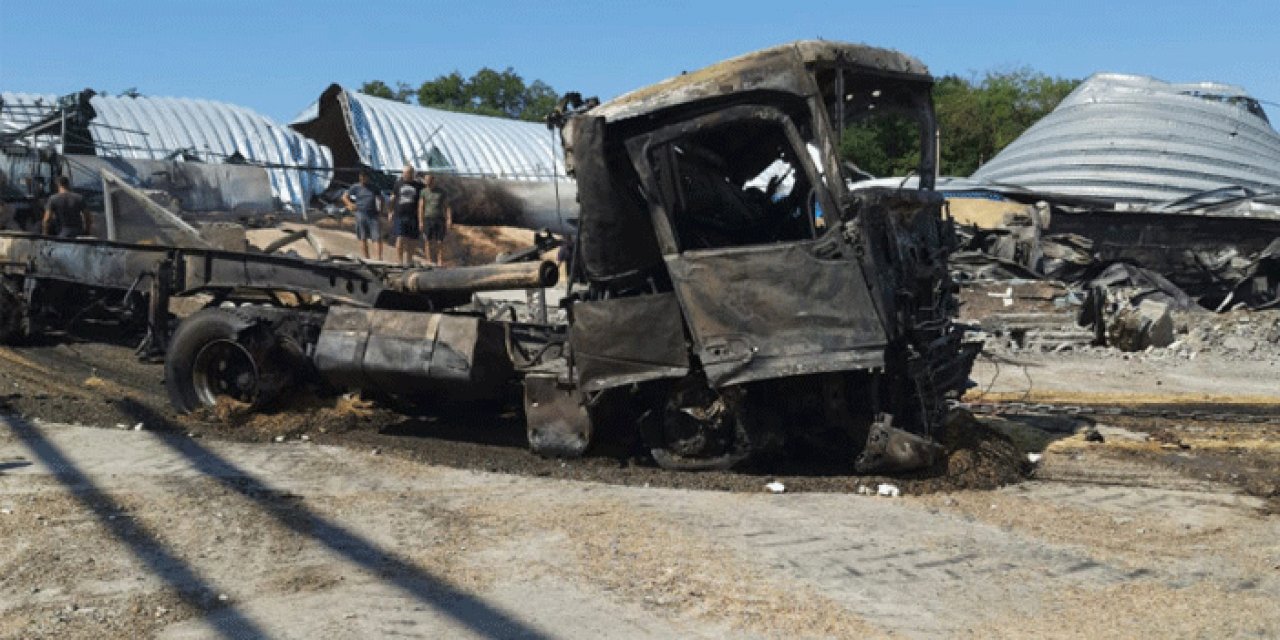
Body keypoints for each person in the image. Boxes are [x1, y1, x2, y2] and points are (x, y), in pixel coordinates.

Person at [341, 170, 383, 260]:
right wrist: (349, 204)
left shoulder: (374, 187)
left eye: (365, 176)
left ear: (368, 177)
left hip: (373, 214)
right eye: (361, 176)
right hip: (360, 213)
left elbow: (380, 198)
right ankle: (366, 258)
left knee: (377, 237)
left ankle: (379, 258)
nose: (363, 178)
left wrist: (381, 211)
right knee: (362, 237)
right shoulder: (355, 187)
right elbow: (344, 196)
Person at [388, 165, 422, 265]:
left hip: (413, 215)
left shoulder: (418, 186)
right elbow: (393, 198)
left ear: (413, 173)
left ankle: (409, 260)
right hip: (400, 214)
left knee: (412, 239)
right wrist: (390, 211)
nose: (407, 175)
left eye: (410, 173)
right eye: (405, 173)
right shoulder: (398, 184)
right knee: (400, 237)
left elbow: (422, 201)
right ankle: (400, 260)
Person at [417, 172, 452, 266]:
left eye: (429, 180)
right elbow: (421, 206)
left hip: (439, 218)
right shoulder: (423, 192)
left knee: (439, 241)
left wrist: (449, 219)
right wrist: (420, 221)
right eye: (426, 180)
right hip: (428, 218)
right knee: (427, 240)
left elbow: (447, 206)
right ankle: (429, 260)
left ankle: (440, 260)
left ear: (433, 180)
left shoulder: (441, 192)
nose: (427, 182)